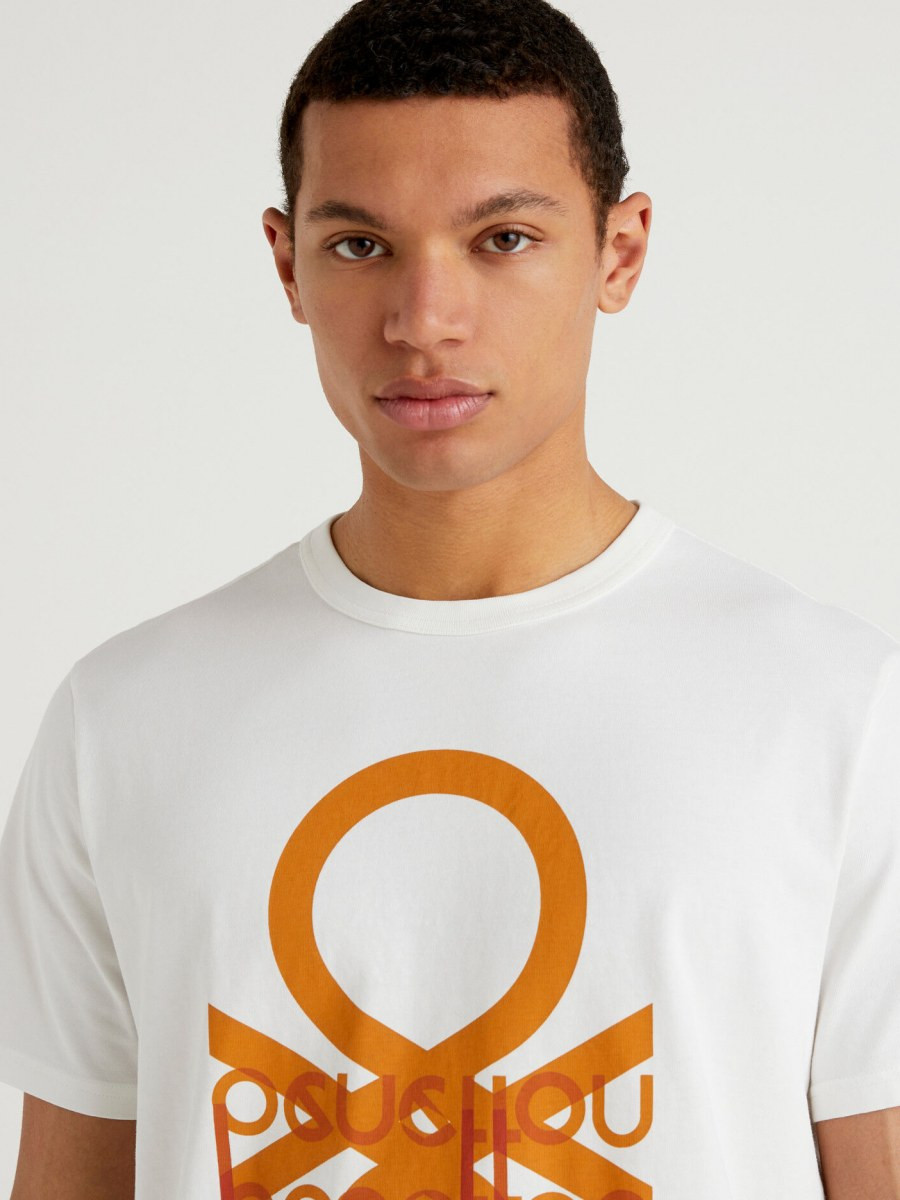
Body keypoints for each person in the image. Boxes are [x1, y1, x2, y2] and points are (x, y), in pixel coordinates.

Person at [2, 0, 898, 1196]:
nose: (423, 321)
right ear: (286, 262)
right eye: (360, 245)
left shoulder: (835, 711)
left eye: (503, 239)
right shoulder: (124, 719)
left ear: (619, 252)